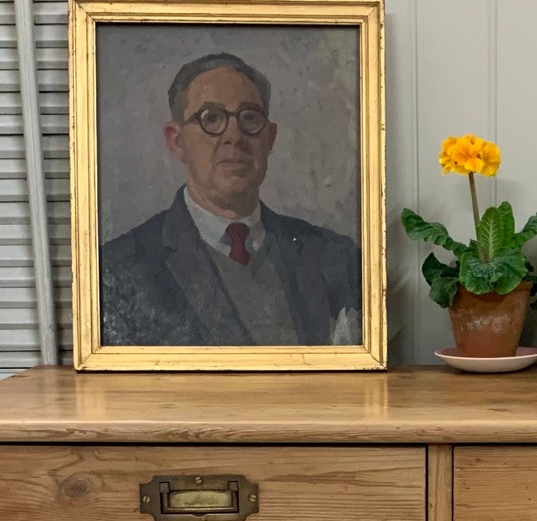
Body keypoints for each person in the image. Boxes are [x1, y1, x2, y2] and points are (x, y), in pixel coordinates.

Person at [98, 52, 362, 347]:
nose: (234, 136)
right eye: (211, 118)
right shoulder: (119, 271)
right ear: (177, 140)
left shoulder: (337, 258)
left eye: (250, 118)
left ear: (270, 138)